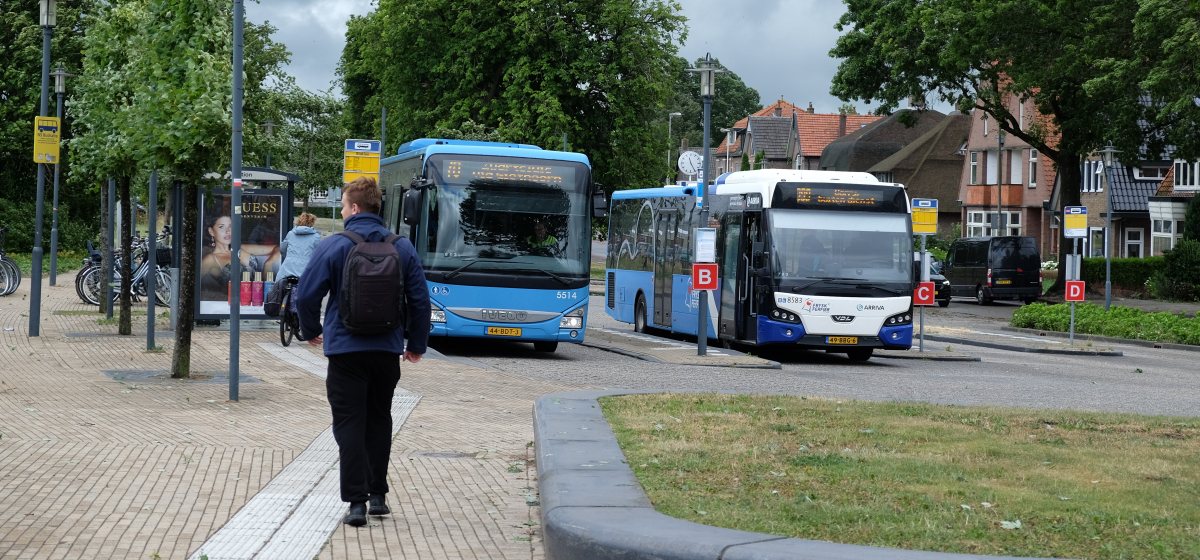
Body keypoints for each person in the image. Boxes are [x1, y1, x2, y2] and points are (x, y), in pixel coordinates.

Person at [294, 176, 431, 527]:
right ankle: (378, 496)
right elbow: (419, 300)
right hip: (386, 350)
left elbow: (306, 294)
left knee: (349, 423)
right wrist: (416, 344)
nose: (342, 212)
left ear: (354, 208)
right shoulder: (402, 247)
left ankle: (356, 503)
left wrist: (311, 331)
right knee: (379, 419)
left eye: (342, 206)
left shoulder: (335, 245)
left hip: (346, 351)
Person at [199, 208, 282, 301]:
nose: (227, 231)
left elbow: (279, 248)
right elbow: (195, 285)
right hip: (233, 304)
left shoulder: (240, 248)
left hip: (257, 301)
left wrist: (268, 264)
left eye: (230, 226)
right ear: (211, 231)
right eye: (221, 227)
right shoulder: (210, 259)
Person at [275, 212, 321, 280]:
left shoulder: (291, 234)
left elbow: (282, 249)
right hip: (306, 271)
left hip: (288, 269)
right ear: (312, 223)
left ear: (299, 221)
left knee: (279, 284)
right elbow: (318, 254)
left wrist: (290, 257)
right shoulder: (316, 237)